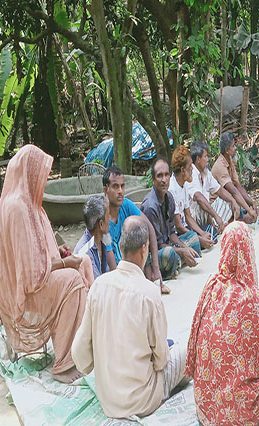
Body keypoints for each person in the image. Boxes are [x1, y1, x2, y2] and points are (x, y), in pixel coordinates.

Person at [0, 144, 94, 384]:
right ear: (28, 173)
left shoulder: (30, 205)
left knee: (84, 262)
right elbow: (30, 276)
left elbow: (34, 251)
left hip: (35, 282)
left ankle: (86, 344)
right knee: (73, 281)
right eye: (41, 173)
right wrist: (65, 262)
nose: (44, 179)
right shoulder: (17, 208)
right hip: (24, 295)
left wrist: (57, 252)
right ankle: (64, 363)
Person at [71, 216, 188, 418]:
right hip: (142, 400)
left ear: (121, 246)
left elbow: (80, 355)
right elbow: (160, 361)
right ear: (144, 249)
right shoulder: (150, 294)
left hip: (107, 399)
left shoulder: (99, 286)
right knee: (187, 349)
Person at [185, 222, 259, 426]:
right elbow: (258, 361)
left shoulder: (212, 285)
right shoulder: (252, 297)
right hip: (240, 416)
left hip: (206, 406)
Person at [102, 165, 164, 292]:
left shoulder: (126, 205)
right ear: (105, 190)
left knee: (168, 255)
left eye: (122, 186)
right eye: (115, 186)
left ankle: (154, 276)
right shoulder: (103, 221)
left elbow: (149, 228)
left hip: (135, 266)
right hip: (117, 275)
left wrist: (156, 270)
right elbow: (113, 267)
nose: (120, 191)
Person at [141, 156, 201, 284]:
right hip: (155, 254)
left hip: (168, 244)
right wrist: (181, 251)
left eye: (166, 175)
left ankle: (178, 262)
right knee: (170, 254)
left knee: (193, 239)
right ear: (153, 179)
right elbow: (155, 245)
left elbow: (172, 232)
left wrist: (184, 247)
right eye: (159, 176)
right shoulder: (150, 206)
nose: (164, 180)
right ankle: (175, 263)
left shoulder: (169, 197)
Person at [169, 146, 216, 249]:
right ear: (182, 170)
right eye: (190, 166)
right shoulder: (172, 190)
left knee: (211, 234)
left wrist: (202, 233)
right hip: (177, 234)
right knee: (197, 243)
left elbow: (188, 217)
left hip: (187, 228)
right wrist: (199, 238)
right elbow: (179, 226)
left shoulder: (184, 184)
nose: (192, 169)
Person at [188, 141, 240, 234]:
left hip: (205, 214)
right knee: (203, 203)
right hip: (193, 217)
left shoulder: (205, 172)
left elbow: (219, 190)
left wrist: (233, 201)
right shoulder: (191, 172)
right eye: (205, 156)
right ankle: (215, 227)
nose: (207, 159)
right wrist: (216, 216)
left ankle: (218, 227)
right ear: (198, 159)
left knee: (227, 200)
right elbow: (199, 198)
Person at [211, 132, 258, 224]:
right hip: (216, 204)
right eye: (233, 146)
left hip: (228, 198)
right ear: (227, 150)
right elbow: (233, 191)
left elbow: (238, 187)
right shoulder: (220, 166)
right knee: (230, 199)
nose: (236, 148)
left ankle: (241, 217)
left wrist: (252, 203)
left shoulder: (229, 162)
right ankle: (238, 219)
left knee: (246, 197)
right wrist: (249, 210)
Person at [74, 194, 111, 279]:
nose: (110, 220)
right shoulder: (84, 251)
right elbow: (95, 287)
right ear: (101, 224)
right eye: (108, 216)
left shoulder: (103, 238)